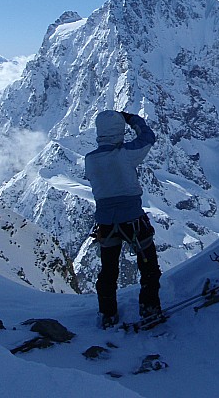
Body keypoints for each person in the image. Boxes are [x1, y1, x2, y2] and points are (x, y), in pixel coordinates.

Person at [84, 110, 162, 328]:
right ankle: (150, 308)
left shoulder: (90, 159)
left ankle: (107, 314)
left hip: (106, 223)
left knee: (108, 271)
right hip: (133, 220)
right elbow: (147, 137)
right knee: (148, 266)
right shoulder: (126, 154)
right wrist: (131, 119)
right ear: (119, 131)